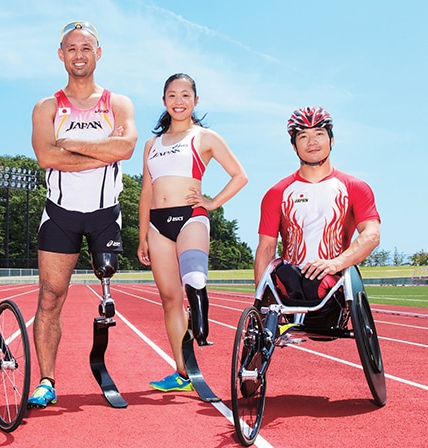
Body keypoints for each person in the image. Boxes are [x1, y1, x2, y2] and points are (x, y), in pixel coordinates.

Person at [27, 21, 138, 408]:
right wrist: (101, 147)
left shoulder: (118, 103)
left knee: (106, 283)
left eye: (86, 48)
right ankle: (46, 380)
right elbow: (46, 157)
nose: (79, 54)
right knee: (50, 298)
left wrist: (71, 143)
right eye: (71, 48)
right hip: (60, 214)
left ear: (99, 53)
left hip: (104, 213)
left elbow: (124, 150)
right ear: (61, 54)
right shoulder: (46, 107)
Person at [137, 73, 248, 392]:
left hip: (192, 215)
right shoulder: (151, 145)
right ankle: (182, 373)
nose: (179, 101)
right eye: (172, 95)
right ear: (164, 101)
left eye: (186, 95)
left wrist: (212, 202)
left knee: (194, 278)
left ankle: (202, 320)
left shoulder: (205, 137)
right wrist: (143, 234)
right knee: (170, 300)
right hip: (158, 224)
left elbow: (240, 176)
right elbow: (147, 190)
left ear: (195, 100)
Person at [254, 106, 380, 292]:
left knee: (317, 284)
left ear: (332, 140)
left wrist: (336, 264)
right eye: (303, 136)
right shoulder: (276, 193)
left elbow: (372, 234)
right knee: (287, 277)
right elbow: (266, 248)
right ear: (294, 146)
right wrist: (260, 299)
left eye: (319, 134)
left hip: (334, 280)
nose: (312, 141)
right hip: (290, 280)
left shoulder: (356, 187)